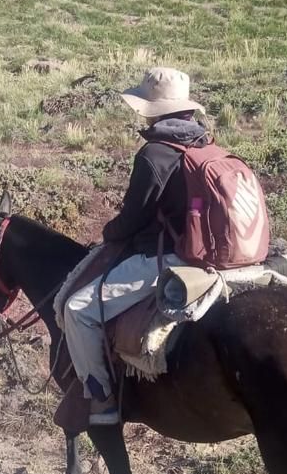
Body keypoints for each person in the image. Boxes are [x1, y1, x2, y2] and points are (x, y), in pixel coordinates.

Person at [62, 67, 211, 425]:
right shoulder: (205, 143)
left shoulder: (155, 154)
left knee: (77, 310)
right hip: (211, 252)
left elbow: (132, 219)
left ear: (151, 109)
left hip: (170, 257)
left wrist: (109, 230)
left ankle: (102, 399)